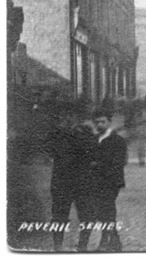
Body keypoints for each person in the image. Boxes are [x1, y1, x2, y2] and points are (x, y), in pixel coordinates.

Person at [45, 103, 95, 251]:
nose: (68, 119)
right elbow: (48, 149)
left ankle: (82, 246)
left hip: (82, 180)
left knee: (86, 215)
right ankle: (58, 246)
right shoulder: (56, 133)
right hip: (62, 180)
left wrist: (78, 133)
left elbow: (91, 152)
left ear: (77, 118)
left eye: (72, 116)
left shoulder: (85, 132)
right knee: (59, 215)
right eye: (65, 116)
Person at [85, 108, 127, 252]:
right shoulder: (93, 140)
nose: (100, 125)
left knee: (106, 210)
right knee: (103, 212)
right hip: (96, 182)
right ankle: (115, 242)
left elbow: (120, 161)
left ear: (109, 122)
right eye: (97, 122)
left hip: (111, 182)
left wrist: (98, 164)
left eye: (103, 122)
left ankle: (105, 242)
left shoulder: (118, 140)